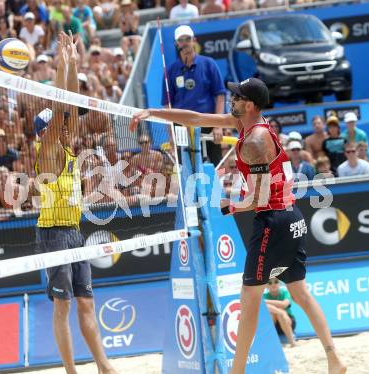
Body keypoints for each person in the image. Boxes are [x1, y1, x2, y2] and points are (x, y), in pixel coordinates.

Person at [130, 77, 346, 374]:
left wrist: (229, 205)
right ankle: (334, 360)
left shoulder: (255, 141)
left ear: (251, 104)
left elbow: (257, 198)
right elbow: (195, 119)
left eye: (238, 96)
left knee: (250, 299)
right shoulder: (248, 124)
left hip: (274, 220)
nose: (232, 99)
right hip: (292, 217)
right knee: (300, 293)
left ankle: (238, 371)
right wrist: (151, 112)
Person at [34, 32, 116, 374]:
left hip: (74, 232)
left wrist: (71, 62)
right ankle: (70, 371)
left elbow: (68, 105)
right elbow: (61, 105)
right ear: (47, 130)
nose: (71, 126)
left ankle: (103, 365)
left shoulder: (67, 148)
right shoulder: (49, 150)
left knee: (87, 302)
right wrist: (60, 66)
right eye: (62, 125)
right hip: (53, 234)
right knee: (63, 306)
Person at [163, 25, 226, 166]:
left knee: (216, 167)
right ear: (176, 43)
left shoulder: (209, 64)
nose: (185, 42)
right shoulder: (170, 70)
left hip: (208, 124)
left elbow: (220, 96)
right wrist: (171, 135)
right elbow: (167, 105)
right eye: (181, 40)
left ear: (194, 40)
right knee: (186, 171)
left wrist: (218, 126)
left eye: (188, 39)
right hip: (181, 127)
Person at [263, 278, 296, 346]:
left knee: (278, 314)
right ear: (266, 286)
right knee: (272, 313)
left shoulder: (285, 293)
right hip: (274, 325)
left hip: (288, 322)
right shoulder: (265, 295)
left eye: (276, 281)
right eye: (269, 283)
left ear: (280, 283)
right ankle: (269, 342)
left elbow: (284, 304)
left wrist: (265, 301)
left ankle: (292, 342)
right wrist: (281, 312)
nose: (273, 284)